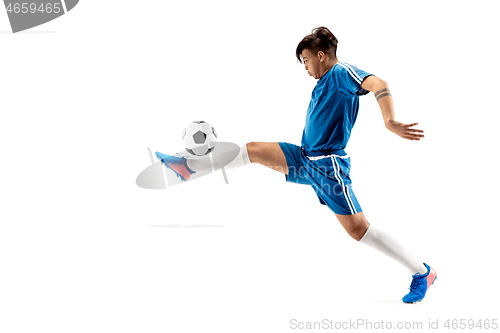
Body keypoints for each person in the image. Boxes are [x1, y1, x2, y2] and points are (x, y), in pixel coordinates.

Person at [155, 26, 437, 303]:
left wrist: (389, 121)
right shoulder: (323, 82)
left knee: (358, 230)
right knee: (251, 150)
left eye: (306, 60)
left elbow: (379, 84)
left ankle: (422, 272)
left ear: (321, 55)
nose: (305, 67)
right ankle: (186, 165)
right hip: (303, 158)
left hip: (328, 168)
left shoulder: (341, 74)